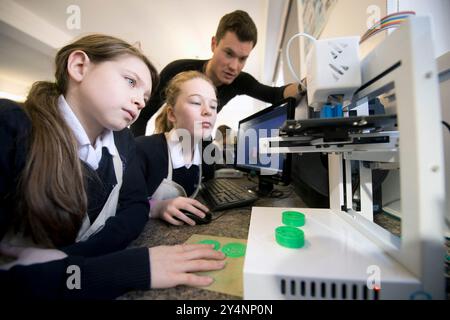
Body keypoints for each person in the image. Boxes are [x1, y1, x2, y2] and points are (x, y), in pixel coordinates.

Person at [0, 34, 225, 299]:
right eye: (130, 81)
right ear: (79, 66)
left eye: (145, 95)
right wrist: (126, 267)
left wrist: (67, 259)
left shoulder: (123, 142)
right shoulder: (11, 126)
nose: (140, 101)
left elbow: (135, 206)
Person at [130, 10, 305, 137]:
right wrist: (137, 158)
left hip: (201, 141)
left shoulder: (240, 81)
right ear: (214, 44)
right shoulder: (177, 70)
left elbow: (275, 94)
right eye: (229, 53)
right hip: (171, 140)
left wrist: (306, 84)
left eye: (243, 58)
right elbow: (142, 116)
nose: (234, 67)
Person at [136, 71, 216, 226]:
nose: (208, 111)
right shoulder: (144, 149)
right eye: (196, 102)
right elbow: (118, 203)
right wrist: (156, 207)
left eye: (213, 105)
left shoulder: (206, 155)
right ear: (172, 114)